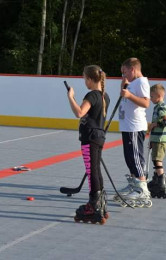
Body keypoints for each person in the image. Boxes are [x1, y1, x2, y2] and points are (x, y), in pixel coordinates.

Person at [66, 65, 110, 224]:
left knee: (91, 171)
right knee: (96, 169)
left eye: (85, 78)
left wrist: (70, 97)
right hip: (98, 137)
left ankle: (94, 205)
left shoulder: (92, 95)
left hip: (89, 138)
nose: (84, 81)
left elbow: (79, 113)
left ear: (91, 79)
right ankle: (100, 202)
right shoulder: (105, 96)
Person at [116, 57, 152, 207]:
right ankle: (133, 183)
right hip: (127, 126)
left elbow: (145, 102)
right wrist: (124, 85)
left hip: (135, 127)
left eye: (125, 72)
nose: (123, 76)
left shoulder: (142, 82)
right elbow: (123, 95)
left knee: (136, 157)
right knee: (129, 157)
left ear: (133, 69)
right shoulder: (132, 83)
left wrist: (129, 95)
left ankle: (142, 187)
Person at [147, 83, 166, 198]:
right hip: (156, 139)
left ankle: (161, 184)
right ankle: (156, 180)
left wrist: (154, 124)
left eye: (152, 96)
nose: (150, 98)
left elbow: (164, 121)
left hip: (160, 139)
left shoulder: (161, 107)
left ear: (158, 96)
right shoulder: (156, 107)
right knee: (155, 159)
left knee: (157, 160)